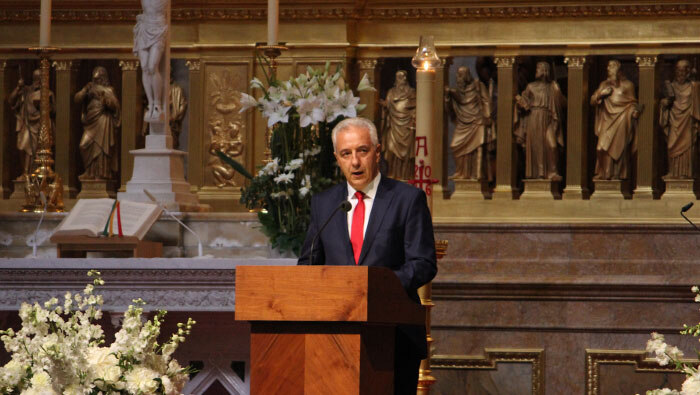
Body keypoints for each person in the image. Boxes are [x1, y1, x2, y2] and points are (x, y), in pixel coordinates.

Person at [298, 117, 437, 394]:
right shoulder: (324, 204)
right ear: (337, 158)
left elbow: (423, 263)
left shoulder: (407, 199)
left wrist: (375, 286)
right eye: (346, 154)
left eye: (362, 151)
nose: (355, 162)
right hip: (335, 337)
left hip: (395, 337)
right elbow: (308, 265)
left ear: (377, 152)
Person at [514, 61, 567, 180]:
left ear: (544, 70)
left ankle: (552, 172)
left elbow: (564, 104)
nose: (536, 71)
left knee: (552, 145)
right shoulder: (530, 86)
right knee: (537, 146)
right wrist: (521, 103)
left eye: (538, 69)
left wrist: (558, 91)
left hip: (548, 118)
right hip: (534, 117)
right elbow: (523, 103)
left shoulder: (552, 86)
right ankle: (539, 175)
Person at [590, 59, 640, 180]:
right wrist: (601, 94)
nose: (608, 69)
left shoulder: (628, 85)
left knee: (618, 149)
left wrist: (634, 111)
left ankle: (613, 175)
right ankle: (603, 173)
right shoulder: (604, 85)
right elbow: (592, 100)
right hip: (607, 119)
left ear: (618, 69)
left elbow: (633, 103)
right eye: (608, 66)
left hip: (622, 118)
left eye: (611, 66)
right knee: (601, 148)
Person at [445, 65, 494, 180]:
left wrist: (487, 116)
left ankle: (475, 175)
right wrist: (447, 97)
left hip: (477, 121)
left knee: (476, 150)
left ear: (467, 76)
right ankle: (461, 172)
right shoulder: (458, 92)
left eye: (460, 75)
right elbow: (451, 108)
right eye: (457, 75)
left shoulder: (478, 86)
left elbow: (486, 101)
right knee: (455, 145)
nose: (458, 78)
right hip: (463, 122)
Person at [74, 66, 121, 180]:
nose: (97, 82)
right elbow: (77, 99)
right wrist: (84, 90)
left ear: (104, 78)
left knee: (101, 148)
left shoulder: (109, 90)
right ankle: (89, 171)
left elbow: (116, 107)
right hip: (91, 121)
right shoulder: (89, 88)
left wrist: (106, 101)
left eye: (99, 79)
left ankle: (101, 174)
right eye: (95, 79)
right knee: (83, 145)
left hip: (103, 120)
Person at [8, 69, 54, 179]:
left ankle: (31, 173)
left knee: (37, 150)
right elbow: (11, 100)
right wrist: (18, 87)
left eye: (40, 79)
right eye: (35, 79)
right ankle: (25, 173)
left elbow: (53, 110)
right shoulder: (26, 91)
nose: (37, 82)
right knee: (22, 147)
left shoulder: (48, 93)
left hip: (39, 125)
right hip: (26, 124)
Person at [659, 59, 700, 179]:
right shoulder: (670, 86)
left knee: (688, 149)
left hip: (688, 121)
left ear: (688, 71)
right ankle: (673, 172)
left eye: (683, 70)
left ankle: (686, 174)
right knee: (671, 146)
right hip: (674, 121)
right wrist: (664, 105)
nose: (680, 73)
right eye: (678, 70)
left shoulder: (695, 87)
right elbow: (665, 104)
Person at [134, 0, 168, 122]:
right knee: (144, 67)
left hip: (159, 26)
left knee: (153, 66)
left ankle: (158, 104)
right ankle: (151, 103)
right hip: (144, 26)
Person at [380, 70, 417, 180]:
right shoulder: (391, 92)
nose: (404, 79)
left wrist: (414, 117)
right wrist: (384, 105)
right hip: (394, 126)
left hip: (407, 127)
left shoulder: (412, 92)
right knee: (392, 152)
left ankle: (407, 177)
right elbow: (387, 105)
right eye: (401, 77)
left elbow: (418, 107)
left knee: (407, 156)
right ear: (396, 79)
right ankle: (392, 176)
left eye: (405, 76)